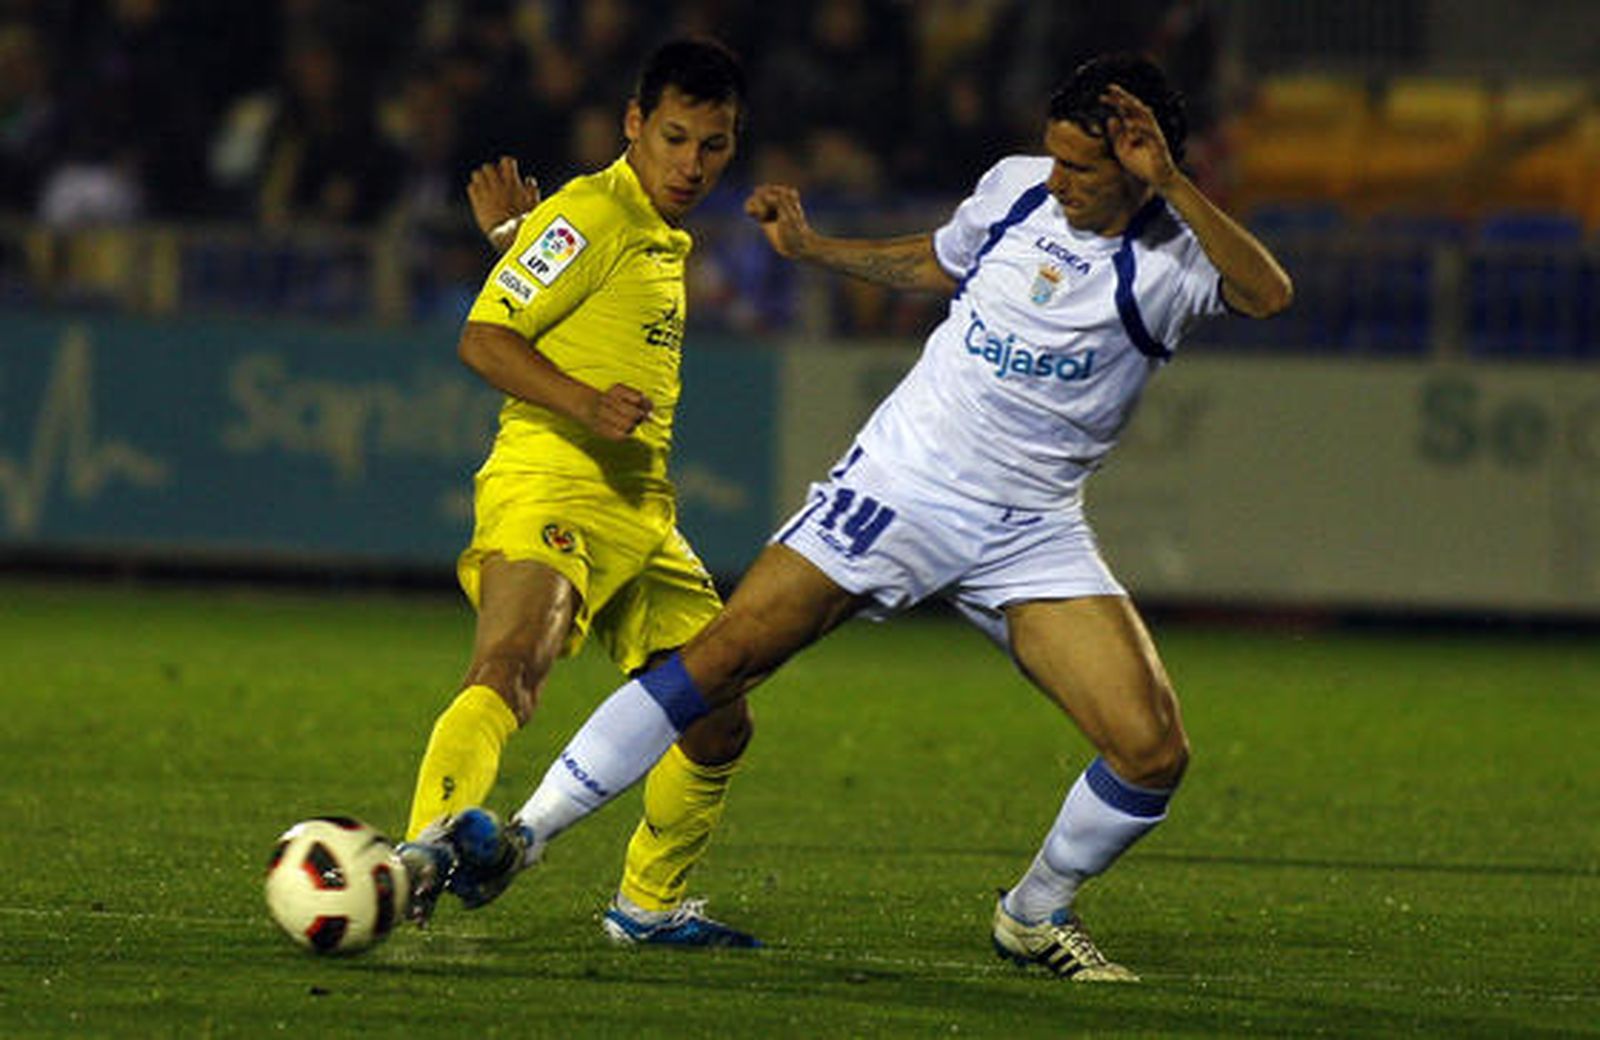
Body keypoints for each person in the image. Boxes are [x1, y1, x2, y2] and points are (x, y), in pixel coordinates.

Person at [419, 52, 1293, 980]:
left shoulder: (1176, 255)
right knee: (719, 661)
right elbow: (938, 259)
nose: (1058, 181)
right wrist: (816, 251)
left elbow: (1268, 293)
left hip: (1031, 526)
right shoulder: (1016, 188)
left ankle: (1033, 913)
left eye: (1081, 169)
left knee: (1152, 750)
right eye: (1055, 158)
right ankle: (523, 838)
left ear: (1143, 165)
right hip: (901, 486)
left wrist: (1176, 185)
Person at [396, 38, 761, 949]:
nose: (692, 164)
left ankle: (646, 906)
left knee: (719, 719)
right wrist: (583, 401)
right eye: (674, 138)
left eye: (713, 146)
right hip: (553, 480)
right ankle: (422, 854)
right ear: (634, 124)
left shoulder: (643, 227)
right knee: (514, 666)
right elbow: (484, 337)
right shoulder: (594, 210)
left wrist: (512, 243)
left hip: (640, 509)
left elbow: (576, 295)